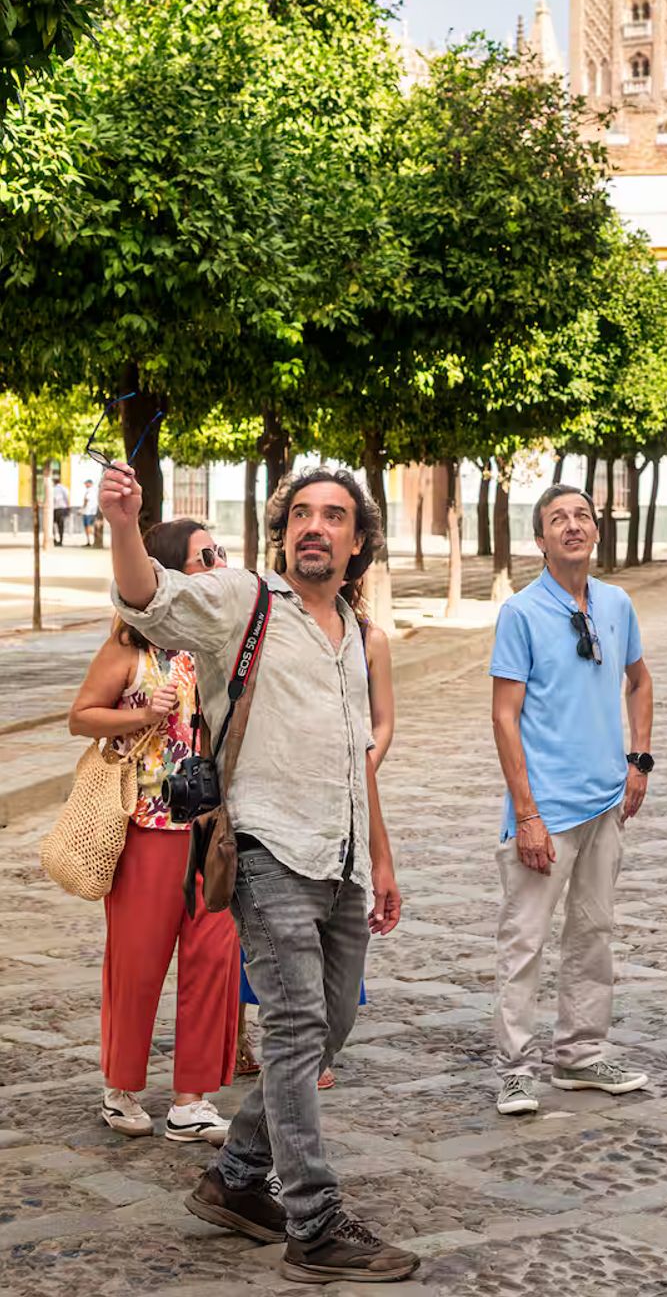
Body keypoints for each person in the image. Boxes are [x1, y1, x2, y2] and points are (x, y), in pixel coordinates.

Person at [100, 459, 419, 1286]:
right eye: (302, 515)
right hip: (265, 849)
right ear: (283, 531)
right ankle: (312, 1221)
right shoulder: (241, 602)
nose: (317, 526)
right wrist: (126, 524)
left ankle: (236, 1179)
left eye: (335, 516)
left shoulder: (353, 632)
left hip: (342, 855)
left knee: (333, 1024)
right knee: (295, 1028)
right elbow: (147, 596)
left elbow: (359, 757)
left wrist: (380, 855)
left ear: (358, 539)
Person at [68, 519, 240, 1145]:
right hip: (148, 825)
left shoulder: (222, 645)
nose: (218, 562)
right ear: (170, 569)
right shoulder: (131, 648)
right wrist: (143, 711)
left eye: (219, 553)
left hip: (213, 827)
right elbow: (79, 716)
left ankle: (191, 1100)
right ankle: (121, 1088)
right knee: (138, 962)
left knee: (212, 958)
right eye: (204, 557)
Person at [490, 483, 654, 1118]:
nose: (573, 525)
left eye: (582, 515)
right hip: (545, 813)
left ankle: (582, 1055)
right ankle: (515, 1069)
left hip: (606, 803)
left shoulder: (617, 604)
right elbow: (505, 719)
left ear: (596, 531)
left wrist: (639, 759)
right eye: (558, 519)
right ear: (540, 540)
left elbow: (639, 682)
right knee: (524, 941)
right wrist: (527, 814)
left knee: (594, 934)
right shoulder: (521, 613)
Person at [235, 610, 394, 1087]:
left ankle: (245, 1153)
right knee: (289, 1002)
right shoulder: (263, 622)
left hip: (342, 814)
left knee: (333, 1005)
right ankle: (255, 1040)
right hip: (274, 828)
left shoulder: (368, 638)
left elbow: (379, 725)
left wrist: (351, 770)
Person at [51, 470, 71, 546]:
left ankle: (55, 539)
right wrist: (68, 507)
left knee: (52, 525)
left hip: (55, 509)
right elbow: (67, 498)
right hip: (62, 509)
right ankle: (60, 541)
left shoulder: (53, 489)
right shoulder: (64, 488)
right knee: (61, 526)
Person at [82, 478, 99, 547]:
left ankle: (90, 541)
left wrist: (82, 509)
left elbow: (86, 500)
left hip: (88, 511)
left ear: (90, 483)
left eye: (86, 483)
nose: (85, 485)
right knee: (90, 526)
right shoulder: (95, 491)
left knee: (88, 527)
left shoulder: (89, 491)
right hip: (93, 511)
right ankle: (90, 541)